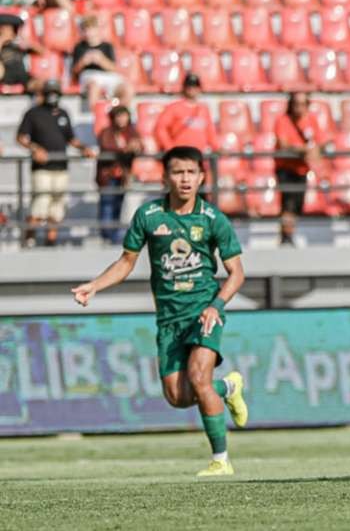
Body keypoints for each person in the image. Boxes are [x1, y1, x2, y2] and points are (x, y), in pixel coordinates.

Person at [72, 146, 248, 477]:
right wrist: (94, 285)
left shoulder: (212, 219)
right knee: (179, 397)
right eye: (178, 172)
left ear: (201, 176)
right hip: (169, 318)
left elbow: (237, 273)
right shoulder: (149, 216)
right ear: (165, 177)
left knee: (198, 377)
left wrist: (216, 306)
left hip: (203, 311)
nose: (185, 179)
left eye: (191, 172)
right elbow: (126, 263)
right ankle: (229, 388)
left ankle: (221, 461)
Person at [16, 79, 96, 247]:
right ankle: (28, 241)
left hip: (61, 167)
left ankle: (50, 242)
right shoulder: (33, 113)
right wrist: (35, 149)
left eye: (55, 92)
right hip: (42, 168)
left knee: (57, 209)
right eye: (49, 92)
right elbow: (21, 137)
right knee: (40, 205)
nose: (52, 96)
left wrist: (83, 148)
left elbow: (71, 139)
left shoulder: (63, 113)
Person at [273, 91, 326, 247]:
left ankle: (290, 232)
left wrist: (313, 150)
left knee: (297, 204)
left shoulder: (311, 120)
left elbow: (320, 141)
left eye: (303, 104)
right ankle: (286, 235)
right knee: (288, 203)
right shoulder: (283, 121)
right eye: (296, 104)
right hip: (286, 167)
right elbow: (283, 144)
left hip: (302, 168)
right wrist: (304, 149)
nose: (299, 108)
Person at [95, 105, 140, 244]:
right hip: (108, 175)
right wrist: (126, 148)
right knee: (107, 204)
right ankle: (107, 235)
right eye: (118, 116)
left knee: (118, 205)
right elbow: (108, 147)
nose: (121, 119)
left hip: (122, 176)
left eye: (124, 116)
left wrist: (136, 145)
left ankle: (113, 234)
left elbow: (140, 145)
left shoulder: (131, 132)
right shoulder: (107, 132)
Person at [73, 14, 132, 109]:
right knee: (94, 86)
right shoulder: (79, 47)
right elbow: (75, 71)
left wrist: (101, 60)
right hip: (89, 76)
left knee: (127, 88)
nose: (89, 33)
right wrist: (84, 61)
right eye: (86, 30)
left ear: (97, 29)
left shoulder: (107, 46)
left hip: (107, 76)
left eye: (91, 29)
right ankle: (97, 115)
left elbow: (113, 68)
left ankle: (119, 112)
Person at [155, 74, 218, 154]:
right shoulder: (174, 107)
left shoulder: (204, 109)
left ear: (199, 89)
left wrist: (216, 147)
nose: (192, 89)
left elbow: (210, 130)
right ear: (184, 88)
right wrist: (170, 148)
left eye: (195, 87)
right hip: (181, 155)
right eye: (189, 86)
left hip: (199, 155)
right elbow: (161, 128)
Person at [0, 14, 43, 95]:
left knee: (41, 84)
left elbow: (42, 52)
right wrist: (2, 39)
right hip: (5, 77)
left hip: (22, 77)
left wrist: (26, 42)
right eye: (10, 29)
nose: (12, 32)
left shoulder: (16, 45)